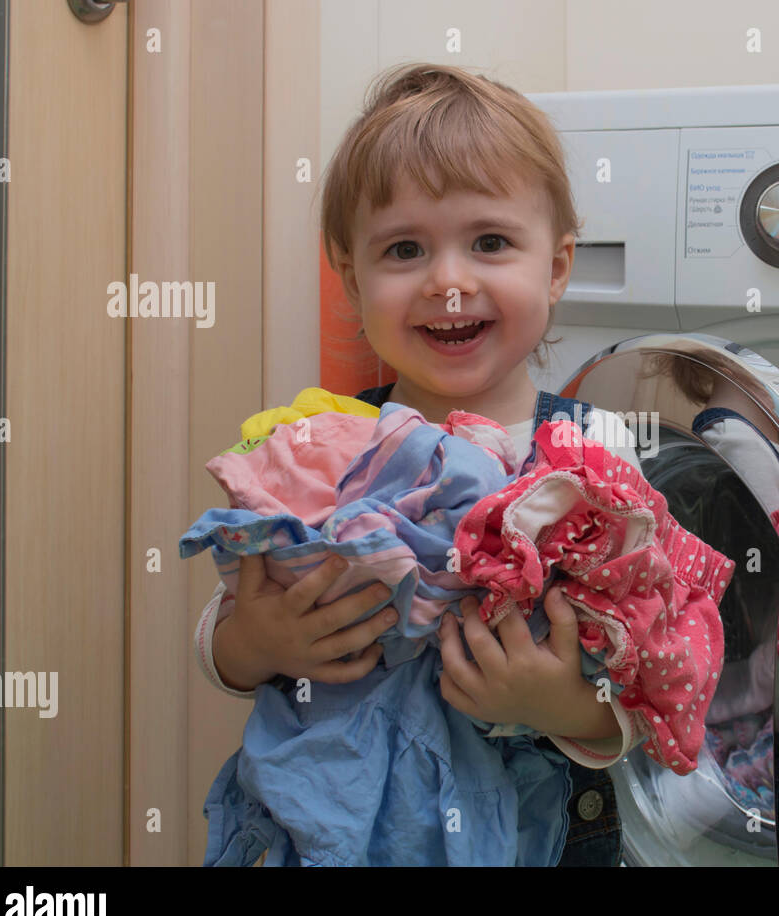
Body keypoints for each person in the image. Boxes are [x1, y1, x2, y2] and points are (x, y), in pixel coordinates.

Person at [192, 61, 656, 865]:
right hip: (344, 825)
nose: (449, 281)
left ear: (554, 268)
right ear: (352, 278)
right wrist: (255, 645)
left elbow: (660, 672)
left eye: (490, 242)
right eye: (405, 249)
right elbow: (231, 616)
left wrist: (569, 706)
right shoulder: (322, 442)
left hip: (543, 839)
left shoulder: (599, 462)